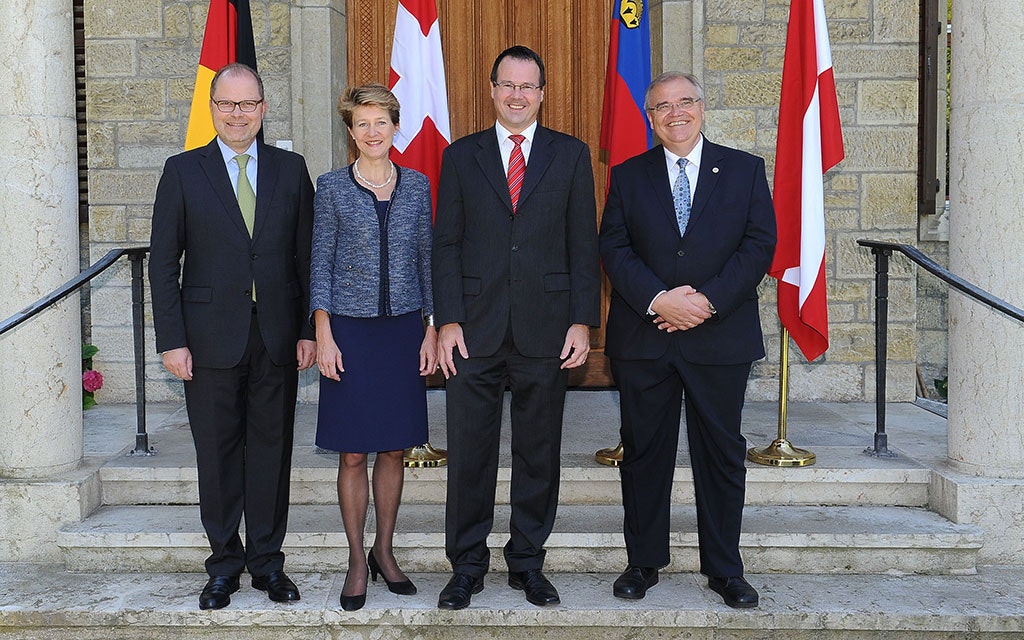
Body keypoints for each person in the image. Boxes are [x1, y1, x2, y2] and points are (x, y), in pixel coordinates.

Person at [432, 45, 601, 610]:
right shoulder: (460, 157)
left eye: (528, 86)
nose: (517, 94)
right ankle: (467, 566)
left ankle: (527, 561)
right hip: (473, 330)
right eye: (508, 84)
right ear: (492, 89)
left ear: (543, 93)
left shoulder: (571, 156)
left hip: (547, 329)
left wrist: (582, 320)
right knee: (471, 452)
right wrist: (448, 319)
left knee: (538, 452)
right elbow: (446, 243)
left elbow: (584, 243)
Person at [599, 71, 776, 608]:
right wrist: (660, 300)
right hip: (645, 335)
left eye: (685, 102)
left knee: (720, 455)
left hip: (719, 337)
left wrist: (704, 303)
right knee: (645, 453)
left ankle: (725, 568)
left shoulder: (745, 170)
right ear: (649, 118)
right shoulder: (629, 176)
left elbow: (758, 244)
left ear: (702, 107)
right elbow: (614, 246)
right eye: (662, 107)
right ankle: (643, 561)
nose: (675, 113)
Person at [149, 62, 315, 610]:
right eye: (227, 104)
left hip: (276, 338)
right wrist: (171, 339)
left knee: (271, 453)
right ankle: (223, 565)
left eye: (247, 104)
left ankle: (268, 564)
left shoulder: (292, 171)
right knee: (217, 457)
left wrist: (309, 330)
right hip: (207, 340)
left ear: (263, 109)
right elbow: (163, 263)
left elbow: (307, 258)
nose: (238, 114)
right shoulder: (182, 171)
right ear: (212, 109)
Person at [309, 84, 436, 612]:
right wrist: (322, 332)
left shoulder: (418, 186)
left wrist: (431, 327)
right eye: (362, 123)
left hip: (404, 330)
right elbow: (319, 262)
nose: (372, 132)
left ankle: (385, 551)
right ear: (351, 131)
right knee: (354, 450)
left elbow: (427, 260)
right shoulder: (332, 187)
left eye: (380, 121)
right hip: (350, 333)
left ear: (394, 125)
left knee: (394, 448)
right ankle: (357, 558)